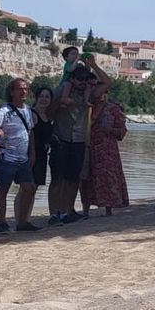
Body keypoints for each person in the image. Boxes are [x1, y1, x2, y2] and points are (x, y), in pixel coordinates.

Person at [48, 57, 109, 225]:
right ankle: (54, 214)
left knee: (73, 178)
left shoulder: (89, 94)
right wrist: (61, 102)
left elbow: (107, 83)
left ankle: (68, 211)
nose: (83, 83)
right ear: (72, 79)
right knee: (57, 178)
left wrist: (94, 65)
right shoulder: (61, 91)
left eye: (85, 79)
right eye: (79, 79)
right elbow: (48, 111)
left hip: (79, 140)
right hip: (61, 138)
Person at [0, 78, 41, 233]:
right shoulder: (5, 110)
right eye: (20, 89)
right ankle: (3, 222)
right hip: (6, 158)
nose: (23, 91)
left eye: (25, 89)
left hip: (22, 158)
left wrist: (32, 152)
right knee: (3, 190)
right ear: (12, 92)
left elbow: (30, 132)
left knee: (29, 188)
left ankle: (22, 222)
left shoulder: (28, 111)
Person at [82, 83, 130, 215]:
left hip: (108, 151)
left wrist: (111, 130)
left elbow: (122, 131)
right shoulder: (88, 108)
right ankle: (85, 209)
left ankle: (109, 209)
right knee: (87, 178)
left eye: (105, 92)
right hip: (89, 148)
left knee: (108, 178)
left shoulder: (113, 109)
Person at [30, 84, 55, 197]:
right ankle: (21, 214)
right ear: (36, 98)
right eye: (41, 96)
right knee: (28, 188)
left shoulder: (48, 116)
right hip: (31, 154)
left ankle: (26, 214)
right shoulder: (32, 114)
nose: (44, 99)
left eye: (47, 97)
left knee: (34, 188)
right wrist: (32, 153)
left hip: (42, 155)